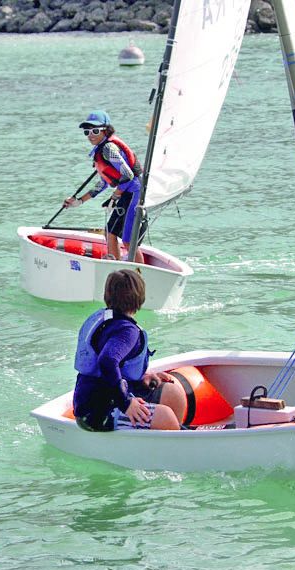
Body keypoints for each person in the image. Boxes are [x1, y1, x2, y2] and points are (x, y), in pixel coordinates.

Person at [72, 269, 184, 432]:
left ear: (107, 295)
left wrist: (141, 377)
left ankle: (173, 434)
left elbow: (112, 365)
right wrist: (126, 403)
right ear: (140, 298)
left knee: (172, 392)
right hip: (98, 412)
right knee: (164, 416)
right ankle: (176, 442)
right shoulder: (127, 331)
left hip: (98, 398)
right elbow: (107, 361)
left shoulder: (106, 320)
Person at [62, 109, 147, 264]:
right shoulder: (101, 150)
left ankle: (139, 273)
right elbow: (103, 182)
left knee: (128, 241)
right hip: (125, 192)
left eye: (95, 131)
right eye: (87, 132)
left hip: (134, 193)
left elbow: (128, 174)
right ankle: (115, 266)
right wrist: (79, 201)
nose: (90, 135)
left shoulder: (108, 149)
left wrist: (115, 196)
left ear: (106, 130)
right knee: (110, 233)